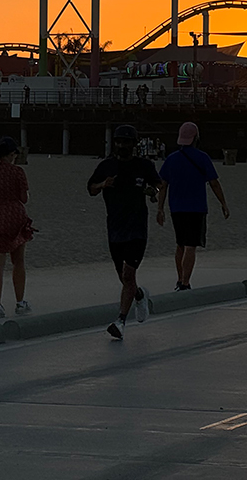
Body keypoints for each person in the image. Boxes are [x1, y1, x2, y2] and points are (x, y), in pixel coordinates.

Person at [87, 124, 159, 340]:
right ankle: (139, 295)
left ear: (134, 144)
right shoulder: (106, 166)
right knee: (124, 278)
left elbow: (158, 185)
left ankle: (120, 321)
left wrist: (152, 192)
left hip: (137, 228)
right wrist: (103, 184)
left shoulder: (144, 165)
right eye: (118, 141)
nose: (121, 145)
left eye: (126, 142)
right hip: (115, 229)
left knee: (129, 274)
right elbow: (90, 189)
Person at [155, 121, 229, 290]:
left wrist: (160, 209)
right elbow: (214, 183)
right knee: (190, 246)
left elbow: (163, 185)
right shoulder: (202, 157)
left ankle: (179, 279)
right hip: (196, 208)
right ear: (196, 138)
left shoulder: (171, 159)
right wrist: (223, 203)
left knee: (180, 244)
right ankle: (185, 283)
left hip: (176, 208)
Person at [0, 136, 35, 318]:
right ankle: (19, 302)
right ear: (11, 154)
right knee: (18, 261)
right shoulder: (17, 172)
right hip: (14, 216)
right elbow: (24, 198)